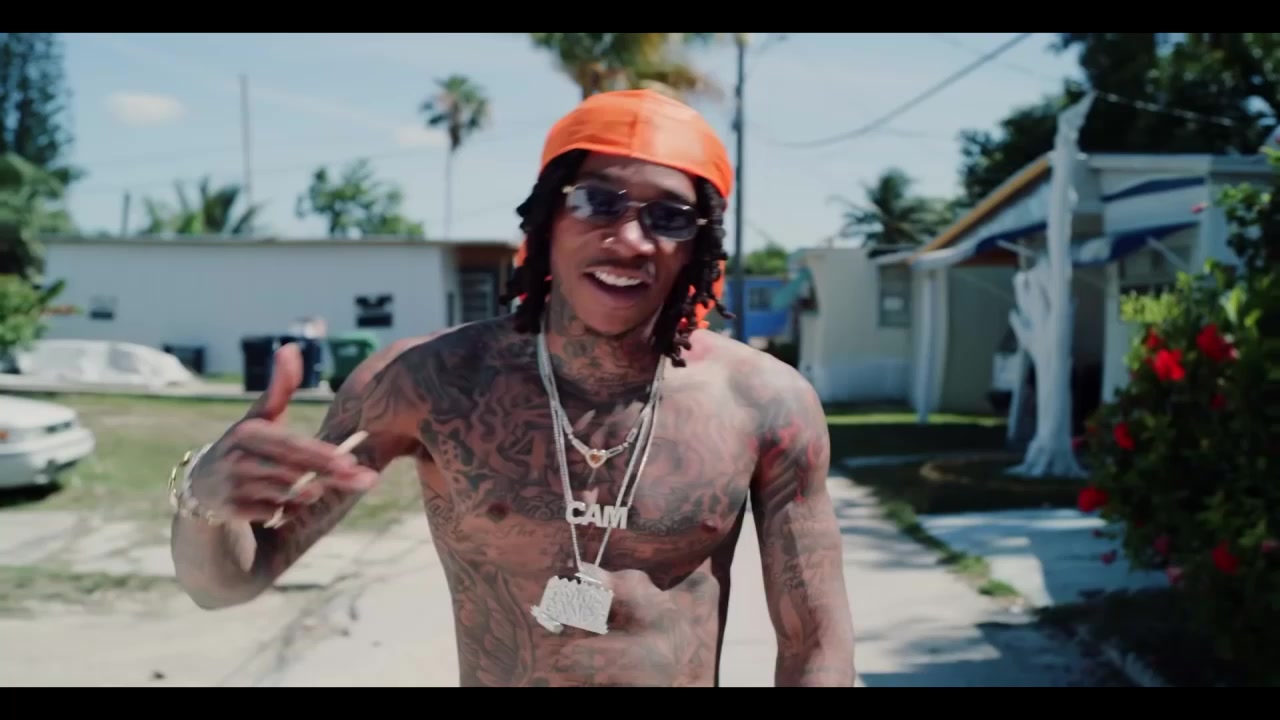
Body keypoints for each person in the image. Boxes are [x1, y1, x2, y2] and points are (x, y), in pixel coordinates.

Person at [168, 89, 857, 687]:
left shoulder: (766, 404)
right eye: (597, 201)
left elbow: (816, 645)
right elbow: (225, 584)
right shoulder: (430, 380)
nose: (629, 238)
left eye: (669, 217)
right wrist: (205, 503)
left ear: (698, 246)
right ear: (548, 217)